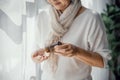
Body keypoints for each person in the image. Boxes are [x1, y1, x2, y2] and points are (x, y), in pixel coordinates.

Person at [32, 0, 111, 80]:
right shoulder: (42, 16)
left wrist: (76, 52)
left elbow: (102, 61)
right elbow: (37, 49)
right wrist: (38, 56)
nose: (53, 0)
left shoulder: (91, 17)